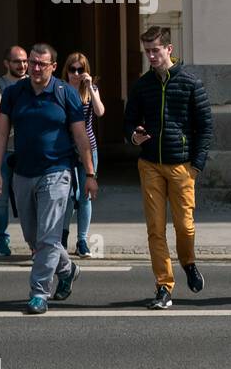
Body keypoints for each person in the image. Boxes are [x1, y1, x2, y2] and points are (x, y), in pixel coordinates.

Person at [0, 43, 97, 314]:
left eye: (41, 64)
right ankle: (68, 269)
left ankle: (39, 293)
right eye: (32, 63)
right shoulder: (15, 93)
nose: (34, 68)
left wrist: (90, 173)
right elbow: (1, 134)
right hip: (23, 173)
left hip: (57, 172)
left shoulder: (65, 94)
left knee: (48, 237)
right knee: (34, 237)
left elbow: (81, 136)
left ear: (52, 67)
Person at [124, 26, 214, 310]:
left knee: (185, 226)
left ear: (169, 49)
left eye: (155, 50)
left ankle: (188, 262)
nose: (151, 56)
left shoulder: (190, 82)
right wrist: (133, 135)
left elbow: (206, 128)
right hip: (149, 164)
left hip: (181, 166)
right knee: (155, 228)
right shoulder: (142, 85)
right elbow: (128, 121)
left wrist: (195, 166)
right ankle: (164, 285)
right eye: (147, 51)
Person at [60, 52, 105, 257]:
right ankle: (62, 236)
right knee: (67, 196)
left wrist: (90, 88)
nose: (76, 74)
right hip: (65, 148)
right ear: (66, 71)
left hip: (88, 148)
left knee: (85, 196)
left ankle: (82, 241)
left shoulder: (90, 89)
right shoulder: (59, 89)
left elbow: (100, 112)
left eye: (80, 70)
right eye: (72, 69)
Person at [0, 45, 28, 257]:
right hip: (2, 152)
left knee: (30, 199)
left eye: (24, 61)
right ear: (6, 63)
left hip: (27, 151)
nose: (22, 65)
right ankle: (1, 241)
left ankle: (35, 242)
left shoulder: (33, 84)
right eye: (16, 61)